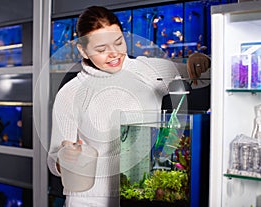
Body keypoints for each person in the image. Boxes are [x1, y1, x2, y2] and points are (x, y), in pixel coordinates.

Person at [47, 5, 210, 207]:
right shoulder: (71, 92)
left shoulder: (148, 70)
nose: (114, 54)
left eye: (118, 42)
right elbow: (54, 161)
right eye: (101, 49)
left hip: (140, 194)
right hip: (89, 200)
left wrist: (199, 60)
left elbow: (203, 77)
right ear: (83, 50)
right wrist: (66, 159)